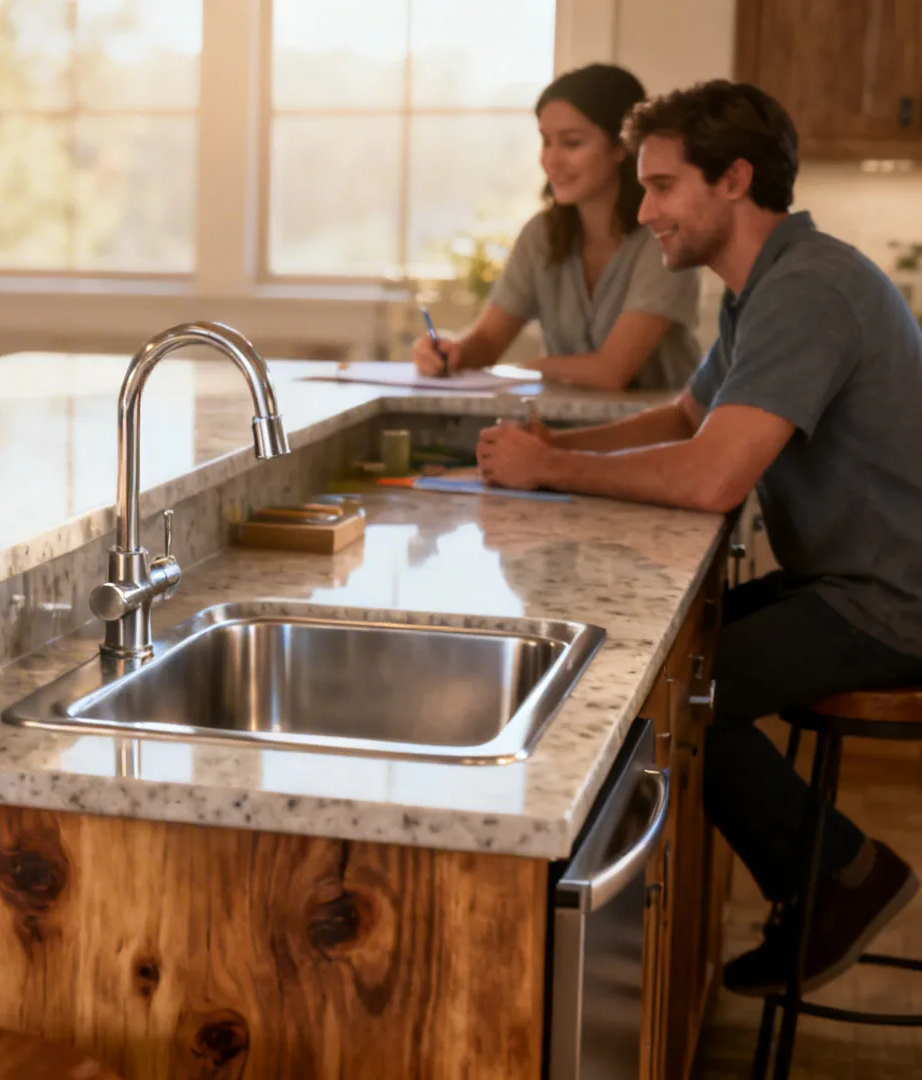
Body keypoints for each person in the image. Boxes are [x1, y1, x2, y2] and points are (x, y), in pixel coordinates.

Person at [478, 80, 922, 996]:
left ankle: (845, 875)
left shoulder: (809, 290)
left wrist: (551, 472)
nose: (646, 213)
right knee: (651, 666)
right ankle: (824, 878)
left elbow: (712, 472)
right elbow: (687, 413)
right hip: (856, 582)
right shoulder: (767, 284)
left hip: (893, 603)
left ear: (734, 180)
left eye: (663, 187)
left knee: (659, 694)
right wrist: (556, 445)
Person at [415, 64, 702, 391]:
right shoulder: (540, 236)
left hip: (659, 434)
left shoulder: (662, 237)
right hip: (565, 431)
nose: (550, 160)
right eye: (546, 141)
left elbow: (612, 371)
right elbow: (488, 341)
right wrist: (452, 351)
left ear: (621, 146)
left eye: (572, 143)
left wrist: (529, 368)